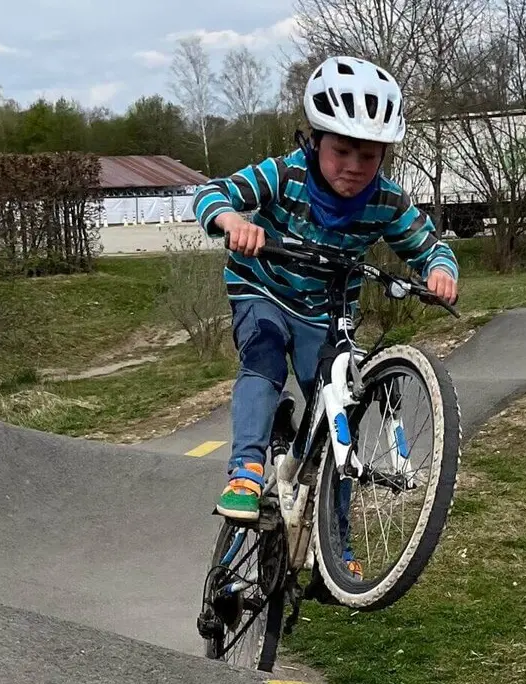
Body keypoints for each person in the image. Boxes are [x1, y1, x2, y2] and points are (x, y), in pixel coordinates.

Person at [191, 57, 460, 564]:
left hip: (325, 313)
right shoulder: (285, 173)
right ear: (315, 141)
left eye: (369, 155)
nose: (354, 166)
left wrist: (440, 271)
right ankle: (246, 471)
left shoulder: (386, 201)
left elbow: (430, 246)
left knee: (339, 420)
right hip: (262, 290)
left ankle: (336, 543)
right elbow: (213, 193)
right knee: (264, 352)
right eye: (341, 151)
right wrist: (232, 221)